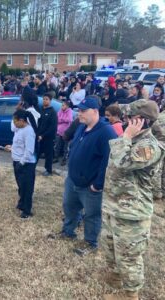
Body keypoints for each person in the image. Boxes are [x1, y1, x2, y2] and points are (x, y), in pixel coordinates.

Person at [102, 100, 161, 300]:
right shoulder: (131, 140)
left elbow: (123, 162)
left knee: (129, 257)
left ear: (142, 121)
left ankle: (130, 295)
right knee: (112, 250)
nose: (126, 120)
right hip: (114, 206)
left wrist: (125, 136)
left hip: (132, 213)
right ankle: (117, 282)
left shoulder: (149, 146)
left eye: (130, 117)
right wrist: (126, 137)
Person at [48, 96, 117, 256]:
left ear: (95, 111)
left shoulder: (106, 132)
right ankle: (68, 231)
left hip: (90, 185)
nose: (79, 113)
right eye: (79, 110)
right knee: (69, 207)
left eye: (83, 111)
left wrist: (98, 184)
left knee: (92, 215)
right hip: (72, 180)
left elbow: (109, 162)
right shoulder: (81, 125)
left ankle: (90, 242)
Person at [4, 109, 37, 219]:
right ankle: (21, 203)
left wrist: (21, 163)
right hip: (17, 161)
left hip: (26, 164)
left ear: (22, 120)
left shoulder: (28, 131)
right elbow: (19, 145)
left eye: (15, 121)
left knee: (27, 188)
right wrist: (11, 148)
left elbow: (29, 151)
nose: (14, 123)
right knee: (21, 186)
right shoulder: (19, 129)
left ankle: (27, 210)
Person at [38, 93, 58, 176]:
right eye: (44, 99)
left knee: (48, 155)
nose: (44, 101)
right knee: (37, 152)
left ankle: (48, 170)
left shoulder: (52, 112)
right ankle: (32, 166)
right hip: (39, 137)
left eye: (46, 99)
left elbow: (52, 127)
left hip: (48, 138)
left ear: (50, 101)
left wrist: (43, 135)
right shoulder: (41, 110)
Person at [54, 100, 73, 166]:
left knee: (66, 147)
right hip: (59, 131)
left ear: (67, 106)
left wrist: (61, 119)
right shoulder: (60, 111)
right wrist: (63, 120)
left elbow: (69, 119)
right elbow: (57, 119)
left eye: (63, 105)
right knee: (57, 145)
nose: (62, 106)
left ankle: (64, 159)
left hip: (66, 132)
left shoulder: (70, 111)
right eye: (62, 105)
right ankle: (56, 157)